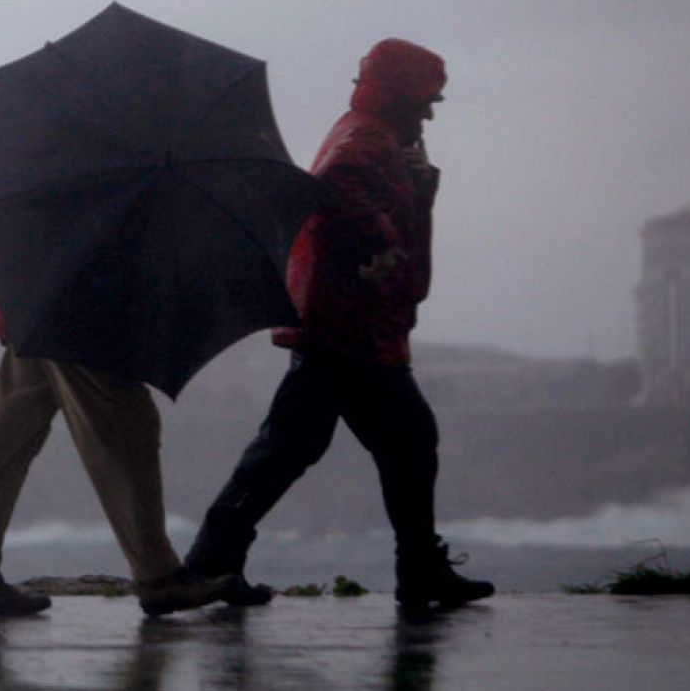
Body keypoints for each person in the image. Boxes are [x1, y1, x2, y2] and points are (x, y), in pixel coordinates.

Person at [183, 38, 494, 610]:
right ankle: (419, 571)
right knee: (405, 441)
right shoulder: (367, 141)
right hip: (354, 330)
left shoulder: (371, 134)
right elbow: (339, 185)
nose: (430, 111)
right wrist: (378, 238)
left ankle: (211, 559)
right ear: (401, 94)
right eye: (426, 98)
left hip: (343, 325)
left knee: (290, 446)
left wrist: (417, 192)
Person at [0, 303, 231, 616]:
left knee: (9, 437)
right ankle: (158, 577)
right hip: (82, 317)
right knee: (127, 430)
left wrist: (12, 305)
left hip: (39, 306)